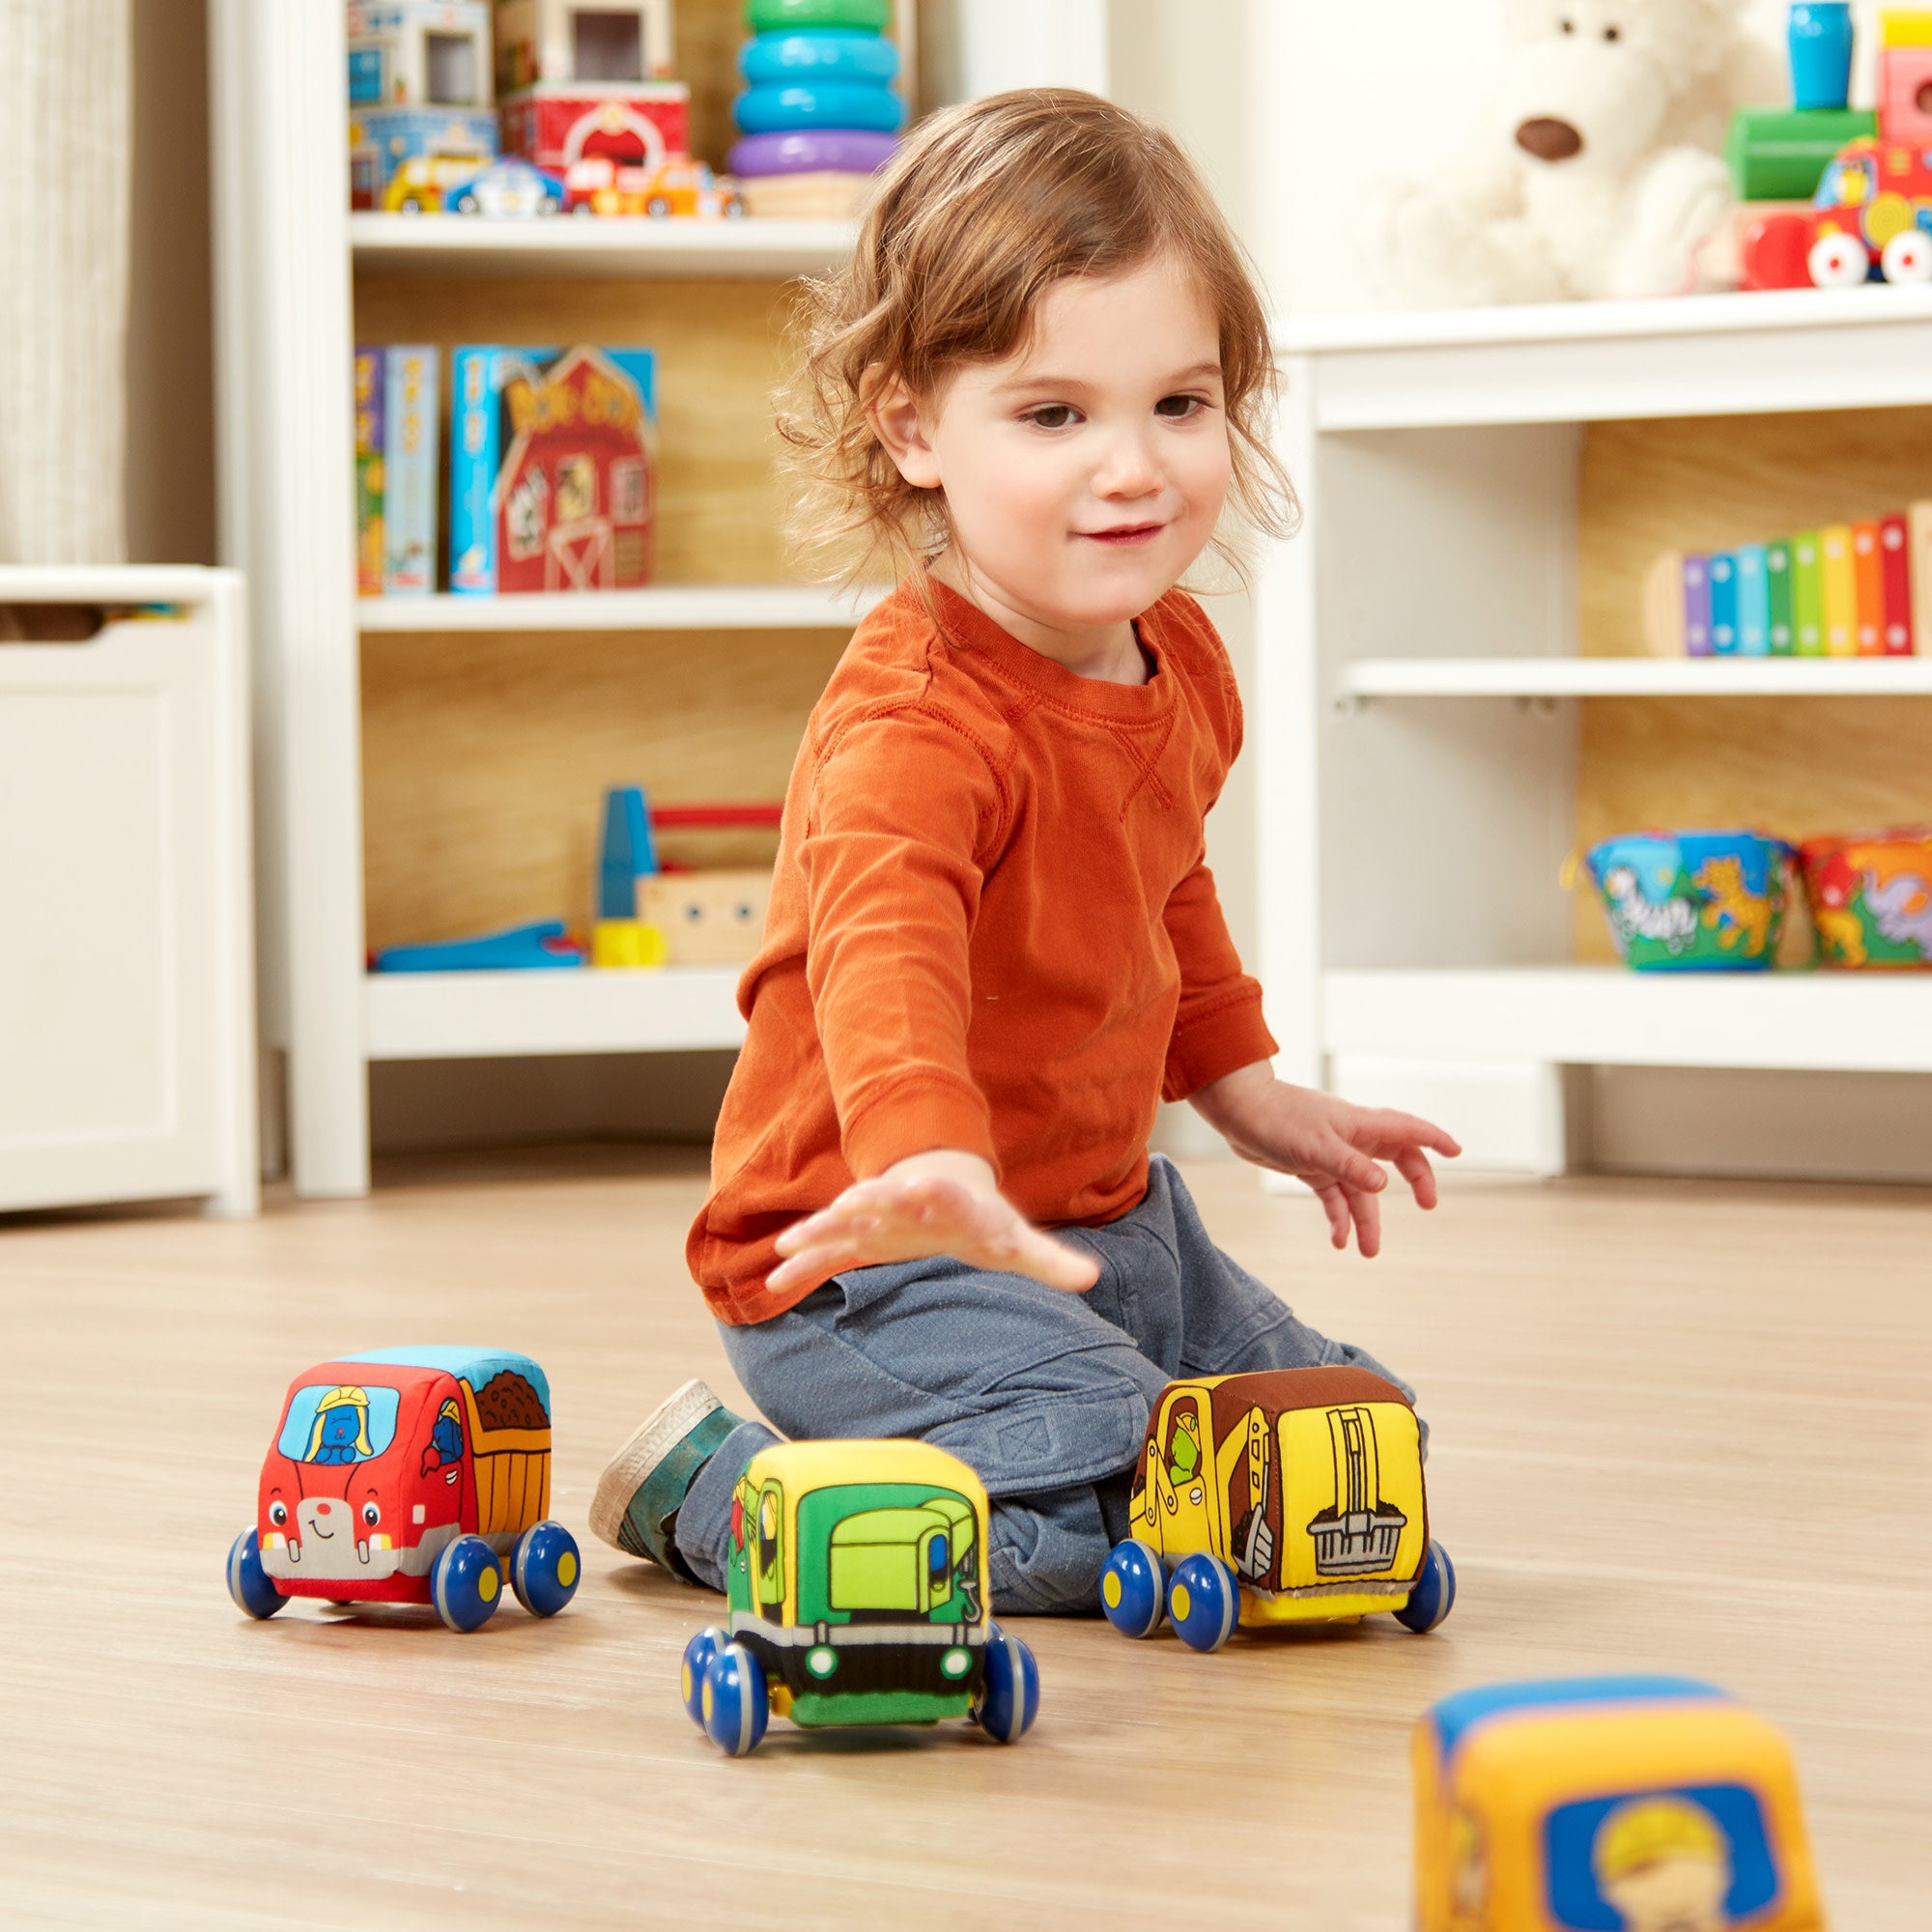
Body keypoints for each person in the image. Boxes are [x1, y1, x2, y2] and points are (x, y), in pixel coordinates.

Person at [590, 89, 1460, 1614]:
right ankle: (719, 1495)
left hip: (1111, 1223)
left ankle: (1060, 1429)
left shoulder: (1174, 653)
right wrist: (930, 1159)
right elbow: (882, 952)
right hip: (869, 1259)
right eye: (1057, 415)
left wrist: (1249, 1093)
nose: (1134, 468)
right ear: (914, 427)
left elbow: (1161, 882)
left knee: (1352, 1445)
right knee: (1098, 1498)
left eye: (1179, 406)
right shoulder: (918, 725)